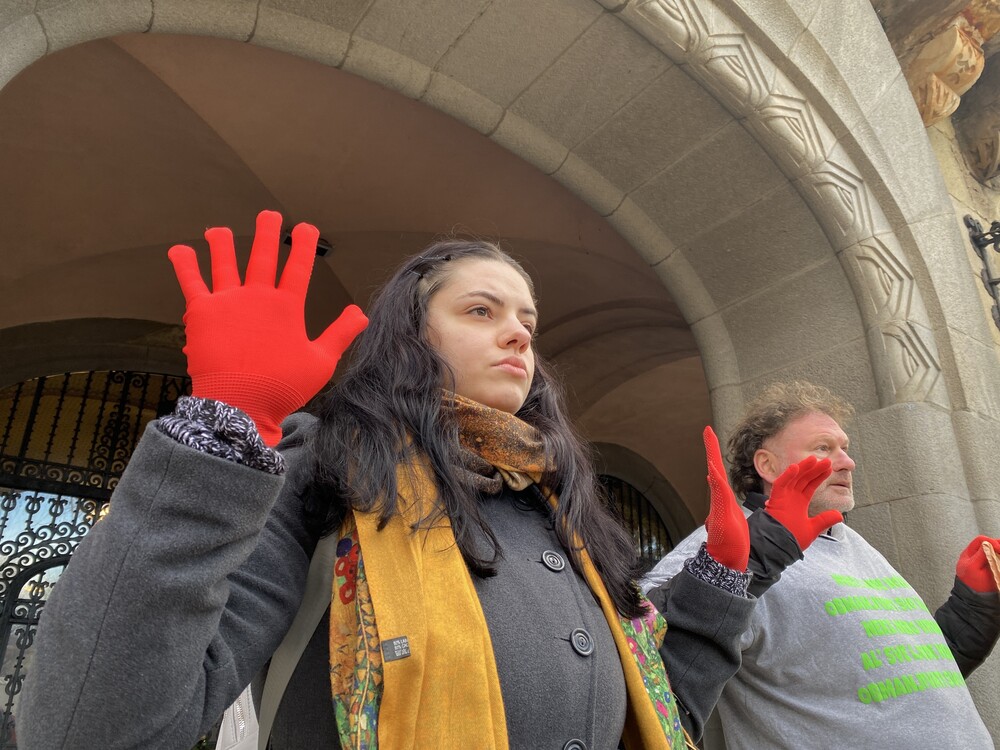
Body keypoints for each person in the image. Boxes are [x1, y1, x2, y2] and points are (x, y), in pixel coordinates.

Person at [22, 211, 826, 750]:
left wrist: (725, 580)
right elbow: (98, 729)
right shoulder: (325, 466)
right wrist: (221, 430)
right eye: (482, 311)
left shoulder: (562, 512)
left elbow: (659, 725)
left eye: (527, 321)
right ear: (412, 332)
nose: (517, 332)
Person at [642, 381, 1000, 749]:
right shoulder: (721, 547)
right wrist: (746, 560)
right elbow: (638, 654)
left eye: (845, 448)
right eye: (823, 448)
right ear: (767, 464)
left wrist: (974, 607)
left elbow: (909, 678)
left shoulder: (853, 543)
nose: (848, 462)